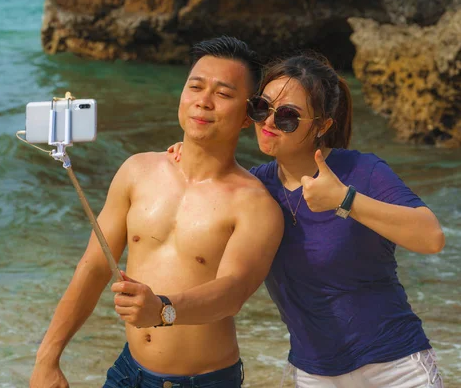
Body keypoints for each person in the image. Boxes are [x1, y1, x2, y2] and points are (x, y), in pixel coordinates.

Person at [170, 53, 445, 387]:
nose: (269, 122)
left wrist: (345, 200)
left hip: (396, 367)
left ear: (322, 125)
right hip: (314, 375)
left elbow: (431, 237)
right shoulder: (254, 190)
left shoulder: (361, 171)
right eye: (261, 108)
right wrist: (186, 158)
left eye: (287, 116)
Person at [29, 36, 284, 388]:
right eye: (195, 87)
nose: (203, 102)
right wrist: (48, 359)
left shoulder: (255, 204)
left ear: (247, 115)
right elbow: (92, 267)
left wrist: (164, 309)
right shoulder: (137, 171)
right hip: (127, 372)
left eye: (223, 94)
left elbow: (232, 293)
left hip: (203, 382)